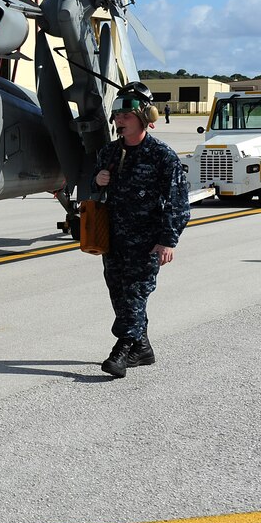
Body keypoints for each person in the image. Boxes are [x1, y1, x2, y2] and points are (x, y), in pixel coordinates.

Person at [92, 82, 190, 378]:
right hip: (113, 239)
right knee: (120, 295)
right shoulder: (109, 153)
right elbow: (94, 191)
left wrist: (168, 240)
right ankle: (143, 348)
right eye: (117, 115)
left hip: (147, 241)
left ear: (144, 118)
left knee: (135, 293)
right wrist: (97, 180)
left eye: (126, 115)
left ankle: (121, 350)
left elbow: (178, 202)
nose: (119, 120)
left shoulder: (162, 155)